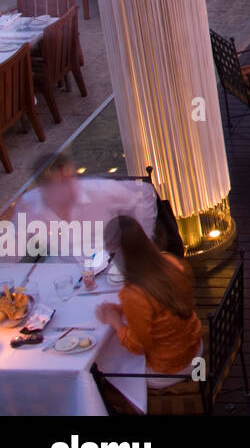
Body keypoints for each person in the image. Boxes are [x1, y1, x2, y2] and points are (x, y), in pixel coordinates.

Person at [94, 216, 203, 389]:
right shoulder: (169, 260)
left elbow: (137, 346)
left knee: (104, 370)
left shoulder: (135, 294)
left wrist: (115, 322)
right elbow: (162, 305)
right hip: (195, 348)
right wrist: (122, 310)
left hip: (170, 368)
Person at [9, 155, 157, 259]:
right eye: (61, 184)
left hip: (110, 268)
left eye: (71, 179)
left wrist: (142, 242)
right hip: (63, 272)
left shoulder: (100, 191)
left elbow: (143, 191)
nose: (71, 187)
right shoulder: (29, 205)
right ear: (44, 189)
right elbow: (12, 252)